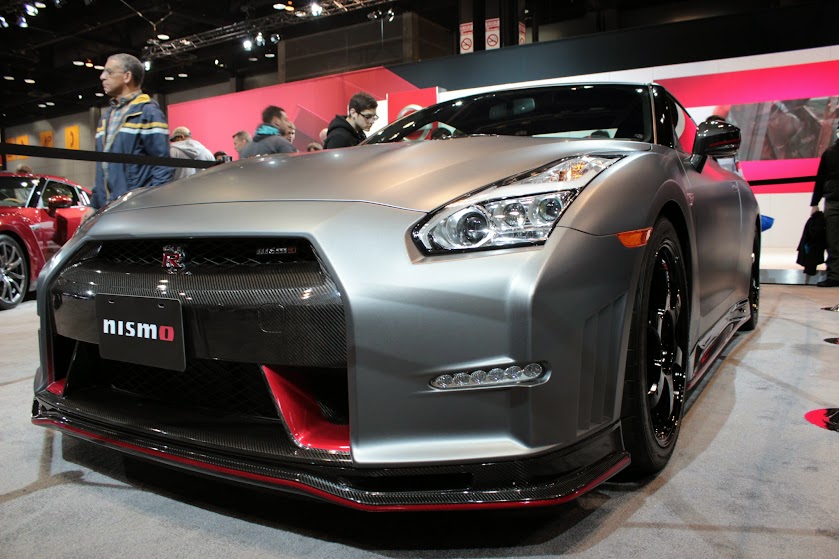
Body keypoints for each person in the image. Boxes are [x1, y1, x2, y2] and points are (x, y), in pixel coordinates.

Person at [93, 53, 172, 208]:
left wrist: (152, 204)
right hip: (107, 208)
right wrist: (94, 205)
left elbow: (163, 166)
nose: (102, 77)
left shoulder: (148, 113)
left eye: (109, 72)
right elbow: (101, 168)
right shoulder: (106, 118)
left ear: (127, 76)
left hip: (135, 208)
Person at [810, 121, 839, 287]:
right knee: (833, 240)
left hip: (832, 201)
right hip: (833, 201)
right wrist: (814, 203)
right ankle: (835, 275)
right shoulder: (830, 153)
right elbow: (820, 179)